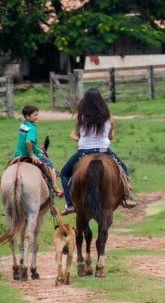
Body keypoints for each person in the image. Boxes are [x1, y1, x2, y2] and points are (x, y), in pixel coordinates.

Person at [58, 88, 137, 216]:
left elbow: (78, 135)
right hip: (104, 150)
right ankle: (126, 196)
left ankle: (70, 204)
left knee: (64, 174)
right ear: (100, 100)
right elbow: (110, 137)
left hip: (84, 151)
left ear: (85, 101)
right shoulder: (108, 116)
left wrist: (74, 137)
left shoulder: (81, 116)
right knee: (123, 169)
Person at [0, 104, 63, 200]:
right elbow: (28, 141)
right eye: (35, 115)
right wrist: (32, 155)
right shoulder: (32, 127)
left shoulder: (23, 125)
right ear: (27, 117)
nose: (37, 117)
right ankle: (56, 188)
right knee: (51, 165)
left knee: (7, 169)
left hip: (19, 153)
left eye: (37, 114)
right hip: (33, 153)